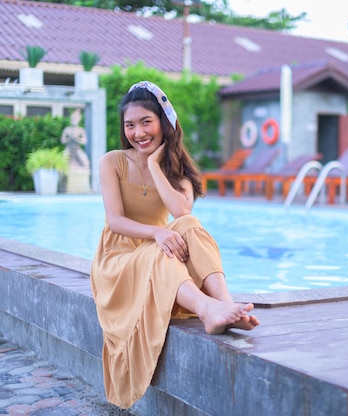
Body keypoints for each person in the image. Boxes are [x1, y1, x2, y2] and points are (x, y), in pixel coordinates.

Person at [90, 80, 259, 409]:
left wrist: (155, 165)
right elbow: (116, 221)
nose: (138, 133)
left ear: (164, 123)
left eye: (146, 122)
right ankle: (207, 308)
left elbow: (181, 211)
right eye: (130, 125)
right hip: (120, 257)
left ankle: (224, 303)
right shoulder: (112, 161)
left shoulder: (174, 167)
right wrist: (156, 233)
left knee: (190, 225)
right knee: (165, 247)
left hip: (160, 246)